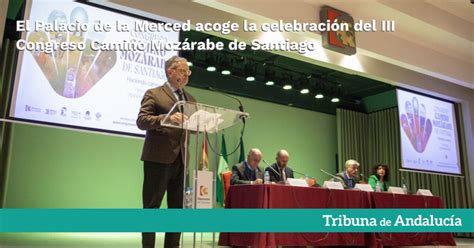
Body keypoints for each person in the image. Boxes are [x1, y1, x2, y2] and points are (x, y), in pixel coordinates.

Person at [136, 55, 196, 248]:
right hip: (158, 159)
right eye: (183, 70)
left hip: (181, 160)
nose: (187, 74)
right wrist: (166, 118)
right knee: (152, 209)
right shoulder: (154, 93)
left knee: (176, 211)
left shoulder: (191, 99)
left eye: (188, 71)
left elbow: (193, 127)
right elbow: (142, 121)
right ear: (170, 71)